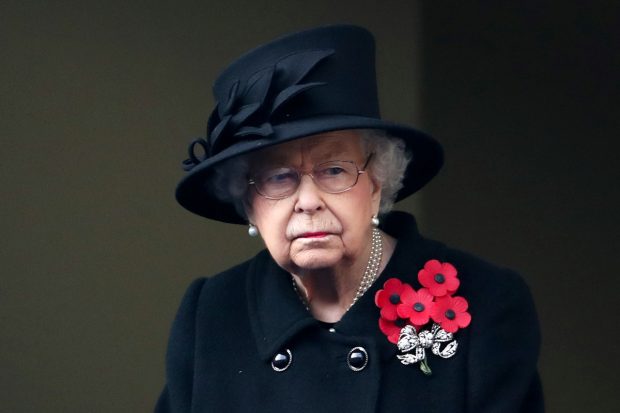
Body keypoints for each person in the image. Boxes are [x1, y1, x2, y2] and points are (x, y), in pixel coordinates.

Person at [155, 25, 543, 412]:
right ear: (249, 202)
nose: (308, 201)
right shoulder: (211, 315)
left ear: (377, 184)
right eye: (278, 177)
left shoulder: (488, 302)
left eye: (334, 170)